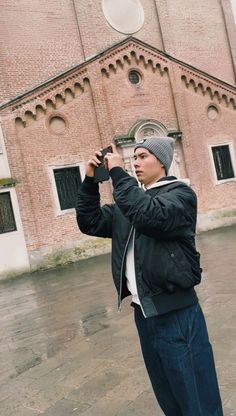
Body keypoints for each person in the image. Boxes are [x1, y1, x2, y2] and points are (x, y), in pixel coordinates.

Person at [76, 136, 223, 416]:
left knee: (197, 399)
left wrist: (118, 173)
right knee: (170, 398)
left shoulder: (180, 196)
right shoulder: (130, 204)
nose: (136, 162)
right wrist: (89, 181)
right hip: (145, 314)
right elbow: (90, 221)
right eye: (134, 157)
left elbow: (148, 215)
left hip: (177, 314)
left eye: (143, 156)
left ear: (163, 162)